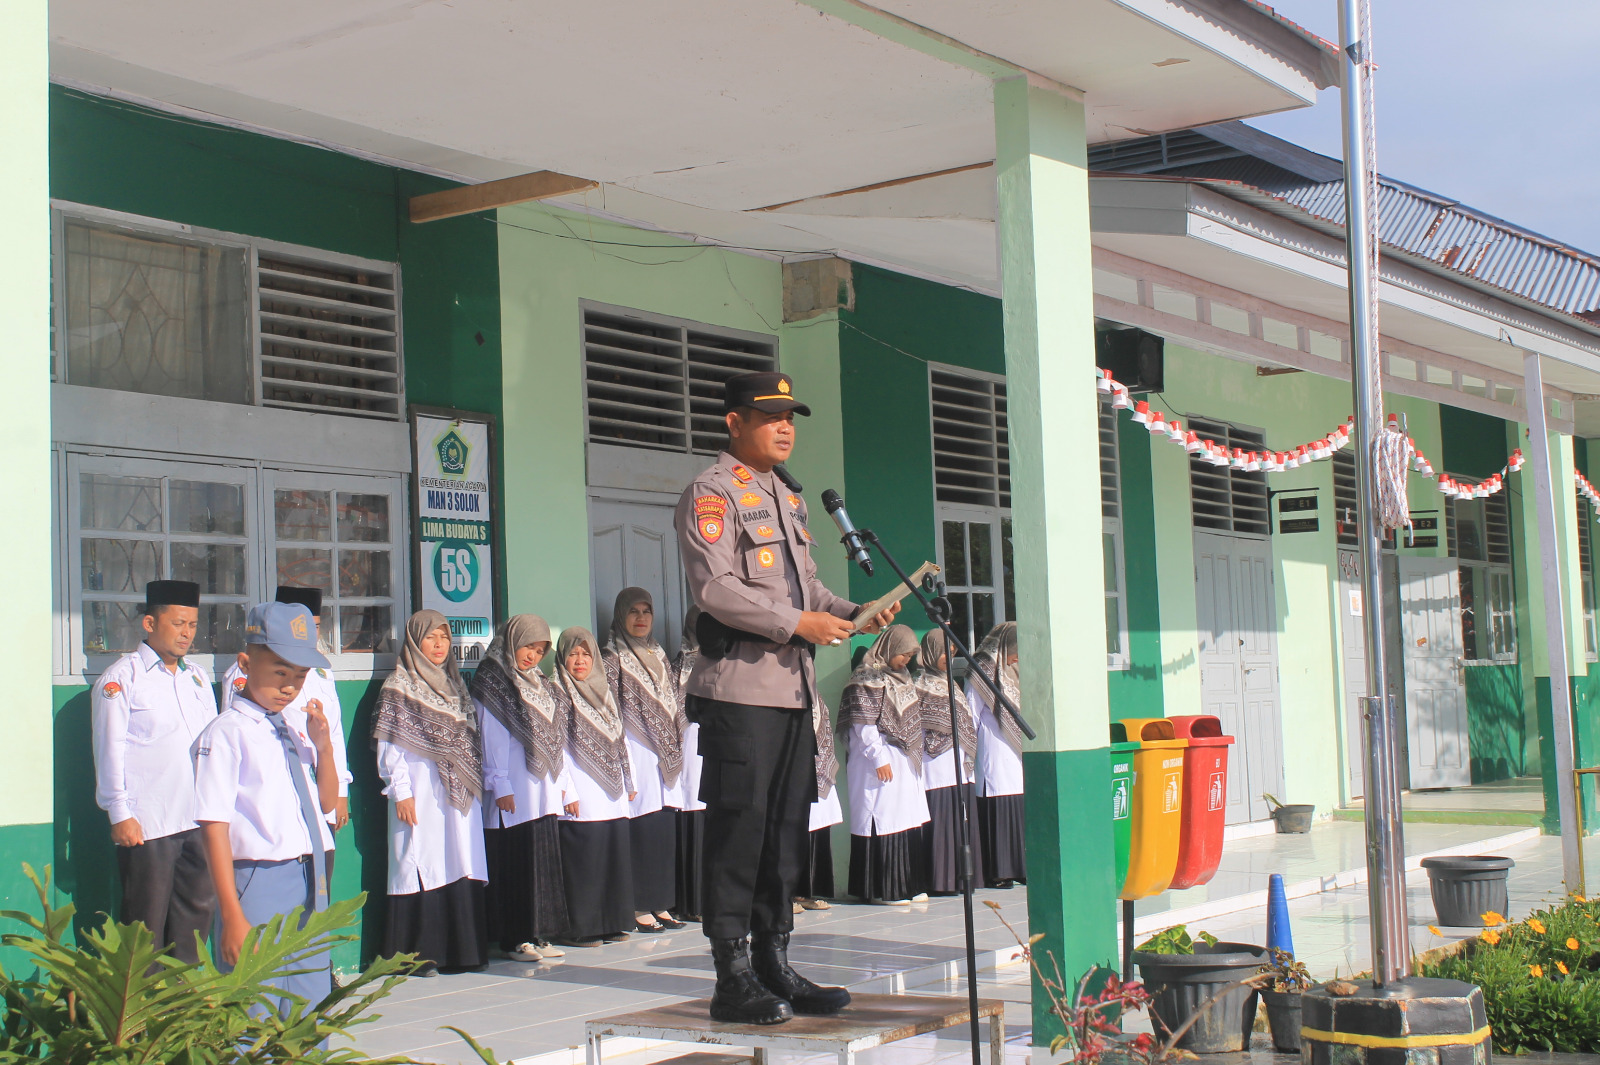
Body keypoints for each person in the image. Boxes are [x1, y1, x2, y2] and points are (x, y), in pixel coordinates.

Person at [675, 369, 897, 1024]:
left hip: (793, 694)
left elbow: (809, 591)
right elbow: (714, 589)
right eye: (769, 416)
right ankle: (731, 973)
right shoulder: (711, 494)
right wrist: (800, 624)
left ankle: (775, 960)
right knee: (738, 830)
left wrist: (853, 610)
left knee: (784, 834)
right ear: (733, 423)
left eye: (790, 418)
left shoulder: (790, 501)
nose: (784, 428)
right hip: (741, 692)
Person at [193, 601, 338, 1014]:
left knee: (308, 1001)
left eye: (300, 675)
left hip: (310, 876)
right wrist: (231, 913)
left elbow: (325, 803)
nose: (290, 686)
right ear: (245, 663)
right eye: (279, 671)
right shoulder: (226, 733)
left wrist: (323, 747)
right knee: (254, 1003)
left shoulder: (292, 726)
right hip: (257, 880)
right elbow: (213, 825)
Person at [91, 578, 218, 964]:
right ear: (150, 623)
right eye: (178, 623)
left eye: (193, 625)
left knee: (195, 920)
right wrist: (119, 813)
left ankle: (184, 1010)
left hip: (197, 818)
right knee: (144, 926)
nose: (187, 634)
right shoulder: (121, 679)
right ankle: (140, 1018)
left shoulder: (196, 677)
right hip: (149, 825)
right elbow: (109, 749)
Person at [373, 610, 488, 975]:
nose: (439, 646)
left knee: (457, 861)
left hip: (458, 796)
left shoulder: (455, 685)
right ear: (414, 641)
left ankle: (461, 952)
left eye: (444, 638)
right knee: (420, 861)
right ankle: (416, 955)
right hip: (419, 792)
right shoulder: (399, 686)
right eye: (430, 638)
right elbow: (390, 746)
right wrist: (401, 792)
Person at [471, 614, 572, 962]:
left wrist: (561, 786)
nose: (533, 655)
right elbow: (490, 736)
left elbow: (555, 736)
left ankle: (537, 933)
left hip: (540, 789)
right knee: (515, 863)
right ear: (513, 641)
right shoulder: (494, 678)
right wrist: (499, 782)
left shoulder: (539, 681)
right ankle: (516, 938)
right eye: (529, 646)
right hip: (512, 788)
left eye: (541, 649)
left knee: (539, 863)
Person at [222, 587, 352, 851]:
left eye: (316, 626)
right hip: (267, 812)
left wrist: (341, 790)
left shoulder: (321, 674)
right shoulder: (243, 676)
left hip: (317, 789)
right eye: (281, 674)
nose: (290, 686)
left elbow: (333, 734)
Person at [603, 588, 689, 934]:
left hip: (663, 754)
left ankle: (660, 902)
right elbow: (608, 711)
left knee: (662, 830)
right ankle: (639, 906)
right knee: (642, 829)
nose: (641, 618)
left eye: (647, 611)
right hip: (635, 751)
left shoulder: (658, 654)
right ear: (621, 615)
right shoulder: (611, 656)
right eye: (633, 612)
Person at [551, 626, 638, 947]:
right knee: (583, 859)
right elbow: (554, 745)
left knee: (609, 856)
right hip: (580, 791)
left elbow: (620, 737)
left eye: (586, 653)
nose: (579, 660)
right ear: (562, 656)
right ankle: (579, 928)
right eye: (573, 653)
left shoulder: (603, 690)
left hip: (612, 791)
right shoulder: (556, 690)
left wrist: (630, 780)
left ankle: (610, 922)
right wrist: (567, 791)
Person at [840, 625, 930, 905]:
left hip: (904, 762)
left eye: (909, 655)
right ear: (889, 648)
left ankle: (909, 885)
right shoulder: (866, 678)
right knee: (882, 818)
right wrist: (877, 757)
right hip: (877, 759)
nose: (905, 660)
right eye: (902, 654)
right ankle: (882, 889)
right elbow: (862, 723)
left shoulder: (903, 678)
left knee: (906, 819)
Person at [915, 629, 984, 896]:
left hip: (959, 763)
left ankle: (962, 878)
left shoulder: (950, 684)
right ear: (930, 653)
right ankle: (940, 880)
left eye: (951, 651)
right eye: (942, 651)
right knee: (942, 819)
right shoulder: (919, 684)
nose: (948, 656)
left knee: (961, 819)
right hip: (935, 764)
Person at [969, 622, 1025, 888]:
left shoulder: (1013, 669)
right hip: (992, 745)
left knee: (1017, 803)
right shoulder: (982, 669)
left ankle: (1020, 867)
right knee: (998, 803)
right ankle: (999, 871)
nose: (1017, 657)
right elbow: (970, 712)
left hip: (1016, 749)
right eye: (1015, 650)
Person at [672, 606, 706, 922]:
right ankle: (693, 902)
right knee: (696, 819)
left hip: (724, 748)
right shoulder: (681, 665)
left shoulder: (731, 662)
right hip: (693, 751)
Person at [794, 691, 841, 912]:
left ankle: (807, 893)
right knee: (794, 835)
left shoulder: (815, 695)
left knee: (817, 832)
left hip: (818, 771)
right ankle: (789, 894)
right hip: (794, 772)